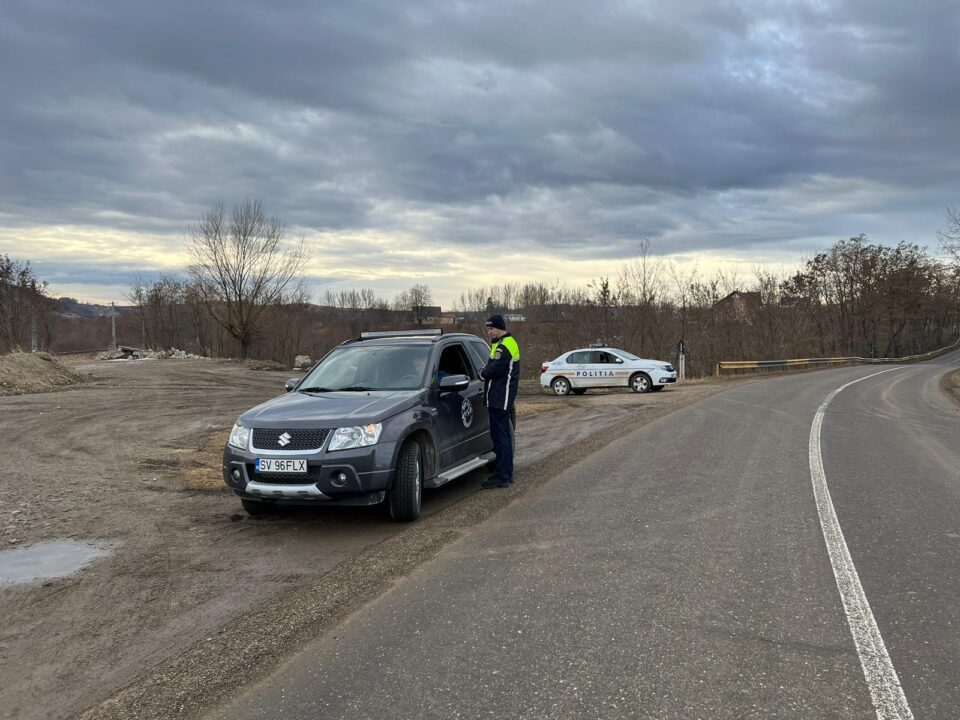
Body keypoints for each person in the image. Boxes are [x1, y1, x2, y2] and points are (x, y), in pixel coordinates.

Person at [479, 314, 520, 488]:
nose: (489, 332)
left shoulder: (505, 346)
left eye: (491, 328)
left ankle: (502, 475)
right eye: (488, 329)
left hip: (500, 398)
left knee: (500, 436)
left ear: (499, 327)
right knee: (503, 436)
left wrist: (481, 373)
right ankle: (506, 472)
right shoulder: (500, 344)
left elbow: (493, 369)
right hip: (498, 396)